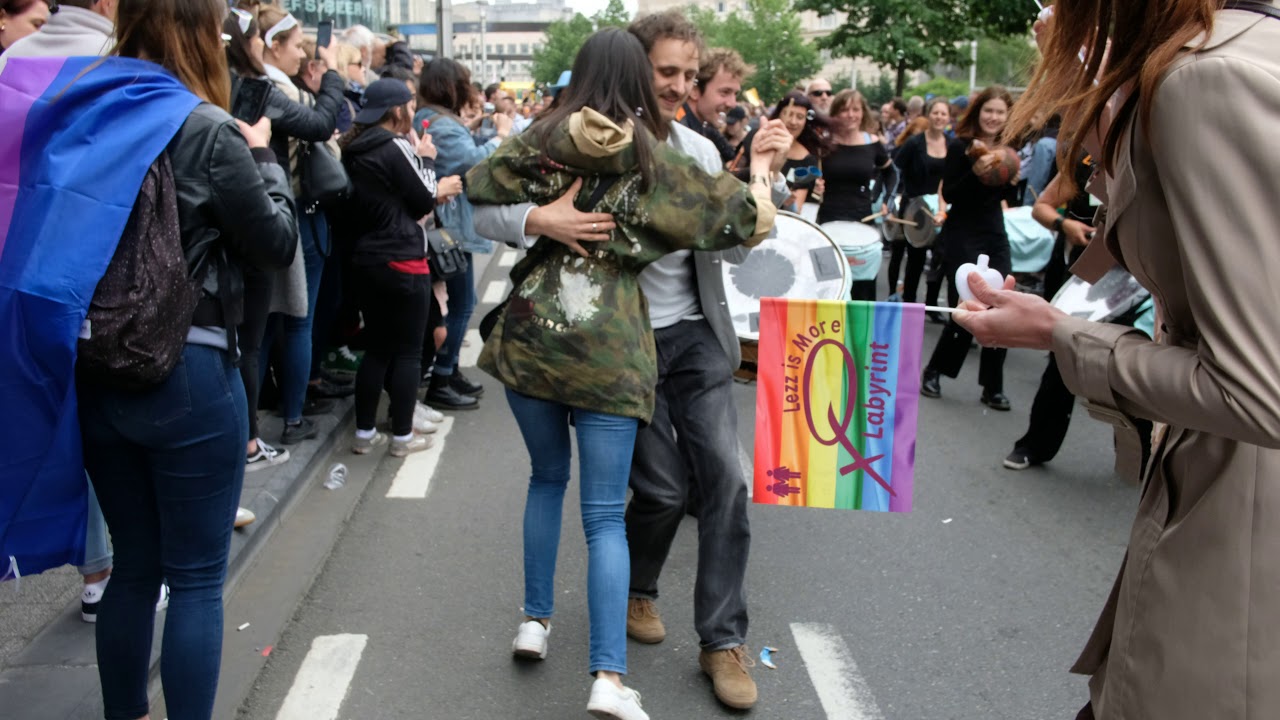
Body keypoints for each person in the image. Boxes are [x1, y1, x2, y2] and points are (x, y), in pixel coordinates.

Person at [956, 4, 1280, 718]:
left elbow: (1260, 392)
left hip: (1240, 524)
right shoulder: (1222, 56)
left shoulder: (1203, 79)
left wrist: (1061, 335)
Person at [466, 27, 785, 720]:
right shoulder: (650, 158)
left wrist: (535, 213)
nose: (675, 84)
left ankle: (554, 623)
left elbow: (472, 184)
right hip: (616, 348)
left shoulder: (552, 137)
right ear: (640, 75)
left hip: (605, 338)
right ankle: (612, 664)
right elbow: (744, 222)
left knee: (575, 480)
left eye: (687, 73)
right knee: (629, 505)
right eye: (664, 72)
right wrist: (539, 220)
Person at [66, 0, 299, 716]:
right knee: (196, 577)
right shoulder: (205, 128)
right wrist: (261, 154)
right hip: (189, 369)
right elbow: (274, 244)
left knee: (133, 567)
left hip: (98, 368)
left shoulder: (81, 114)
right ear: (202, 36)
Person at [1, 0, 121, 621]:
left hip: (17, 272)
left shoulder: (10, 63)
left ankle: (79, 563)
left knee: (34, 417)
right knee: (94, 426)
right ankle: (101, 572)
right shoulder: (118, 66)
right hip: (93, 279)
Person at [338, 79, 457, 456]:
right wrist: (426, 159)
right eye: (409, 104)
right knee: (406, 352)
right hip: (403, 259)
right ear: (396, 112)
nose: (413, 110)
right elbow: (423, 197)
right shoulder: (393, 146)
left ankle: (364, 434)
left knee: (376, 349)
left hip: (366, 259)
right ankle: (402, 437)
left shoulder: (354, 149)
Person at [414, 58, 512, 411]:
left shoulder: (434, 117)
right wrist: (501, 136)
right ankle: (441, 376)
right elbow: (472, 160)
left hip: (445, 224)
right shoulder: (440, 123)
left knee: (455, 303)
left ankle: (449, 369)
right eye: (465, 83)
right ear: (450, 86)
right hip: (449, 226)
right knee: (462, 303)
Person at [919, 85, 1017, 411]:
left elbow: (1012, 198)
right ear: (978, 112)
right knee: (969, 304)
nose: (993, 117)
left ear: (1007, 116)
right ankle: (935, 370)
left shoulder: (1008, 150)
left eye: (1000, 112)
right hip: (962, 231)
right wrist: (977, 173)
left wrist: (1010, 177)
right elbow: (953, 194)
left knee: (1002, 304)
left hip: (994, 232)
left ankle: (993, 387)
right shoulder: (959, 146)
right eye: (988, 110)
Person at [817, 89, 895, 300]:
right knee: (830, 284)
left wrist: (887, 200)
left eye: (856, 109)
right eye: (844, 110)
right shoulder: (823, 142)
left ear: (863, 112)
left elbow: (891, 173)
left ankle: (861, 333)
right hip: (827, 218)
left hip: (862, 219)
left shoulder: (872, 143)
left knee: (862, 286)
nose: (850, 115)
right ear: (835, 113)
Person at [889, 98, 951, 304]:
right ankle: (909, 303)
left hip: (941, 209)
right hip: (915, 209)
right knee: (915, 259)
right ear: (928, 115)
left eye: (943, 113)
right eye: (935, 113)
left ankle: (932, 303)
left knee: (941, 257)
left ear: (949, 118)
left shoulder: (952, 144)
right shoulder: (914, 143)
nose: (939, 117)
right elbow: (894, 170)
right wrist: (891, 200)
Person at [735, 90, 831, 211]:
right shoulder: (757, 137)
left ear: (806, 122)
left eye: (800, 117)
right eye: (788, 114)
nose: (793, 121)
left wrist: (788, 200)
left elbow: (796, 211)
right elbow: (733, 172)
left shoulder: (807, 159)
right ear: (779, 114)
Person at [679, 47, 749, 163]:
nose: (732, 104)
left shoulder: (705, 129)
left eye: (735, 94)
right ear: (694, 90)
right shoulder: (676, 133)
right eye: (725, 92)